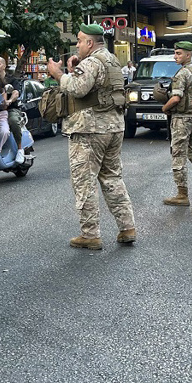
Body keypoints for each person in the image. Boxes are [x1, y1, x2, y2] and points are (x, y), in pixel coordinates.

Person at [46, 24, 136, 250]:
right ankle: (127, 228)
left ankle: (90, 234)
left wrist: (57, 73)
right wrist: (73, 69)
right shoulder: (112, 60)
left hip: (90, 129)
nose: (76, 45)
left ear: (90, 43)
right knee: (112, 177)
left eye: (79, 41)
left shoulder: (92, 62)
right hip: (114, 126)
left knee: (84, 181)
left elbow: (77, 89)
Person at [162, 41, 192, 206]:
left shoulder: (182, 74)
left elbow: (176, 98)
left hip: (181, 118)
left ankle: (182, 194)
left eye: (179, 53)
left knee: (178, 156)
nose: (175, 56)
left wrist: (165, 108)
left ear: (188, 55)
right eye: (175, 53)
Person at [0, 56, 26, 164]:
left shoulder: (11, 79)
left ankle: (20, 149)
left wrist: (10, 100)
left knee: (13, 121)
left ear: (4, 66)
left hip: (10, 109)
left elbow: (16, 92)